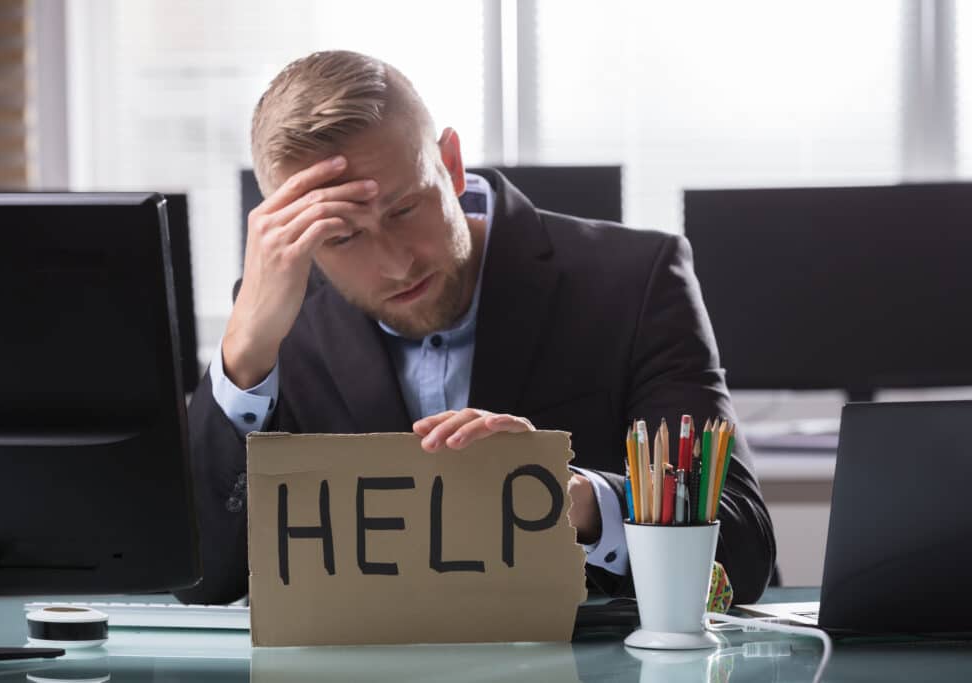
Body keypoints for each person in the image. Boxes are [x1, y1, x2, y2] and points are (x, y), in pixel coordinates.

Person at [175, 50, 775, 607]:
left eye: (405, 208)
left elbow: (742, 547)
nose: (396, 264)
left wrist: (574, 501)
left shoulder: (636, 281)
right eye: (342, 237)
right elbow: (202, 580)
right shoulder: (278, 320)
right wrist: (244, 356)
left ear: (451, 164)